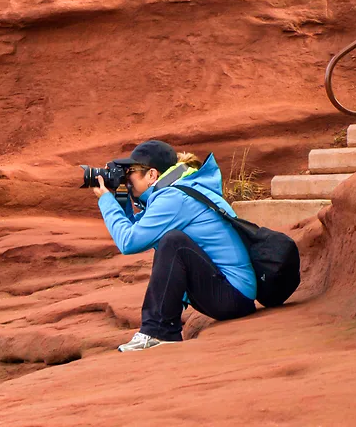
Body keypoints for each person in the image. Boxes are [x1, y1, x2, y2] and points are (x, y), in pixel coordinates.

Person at [92, 140, 256, 351]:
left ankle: (158, 332)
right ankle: (161, 329)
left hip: (233, 295)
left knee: (173, 242)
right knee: (170, 240)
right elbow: (137, 232)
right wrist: (121, 198)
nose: (127, 178)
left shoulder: (173, 198)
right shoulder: (177, 190)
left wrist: (105, 200)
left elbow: (128, 242)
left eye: (130, 172)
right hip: (230, 292)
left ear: (152, 175)